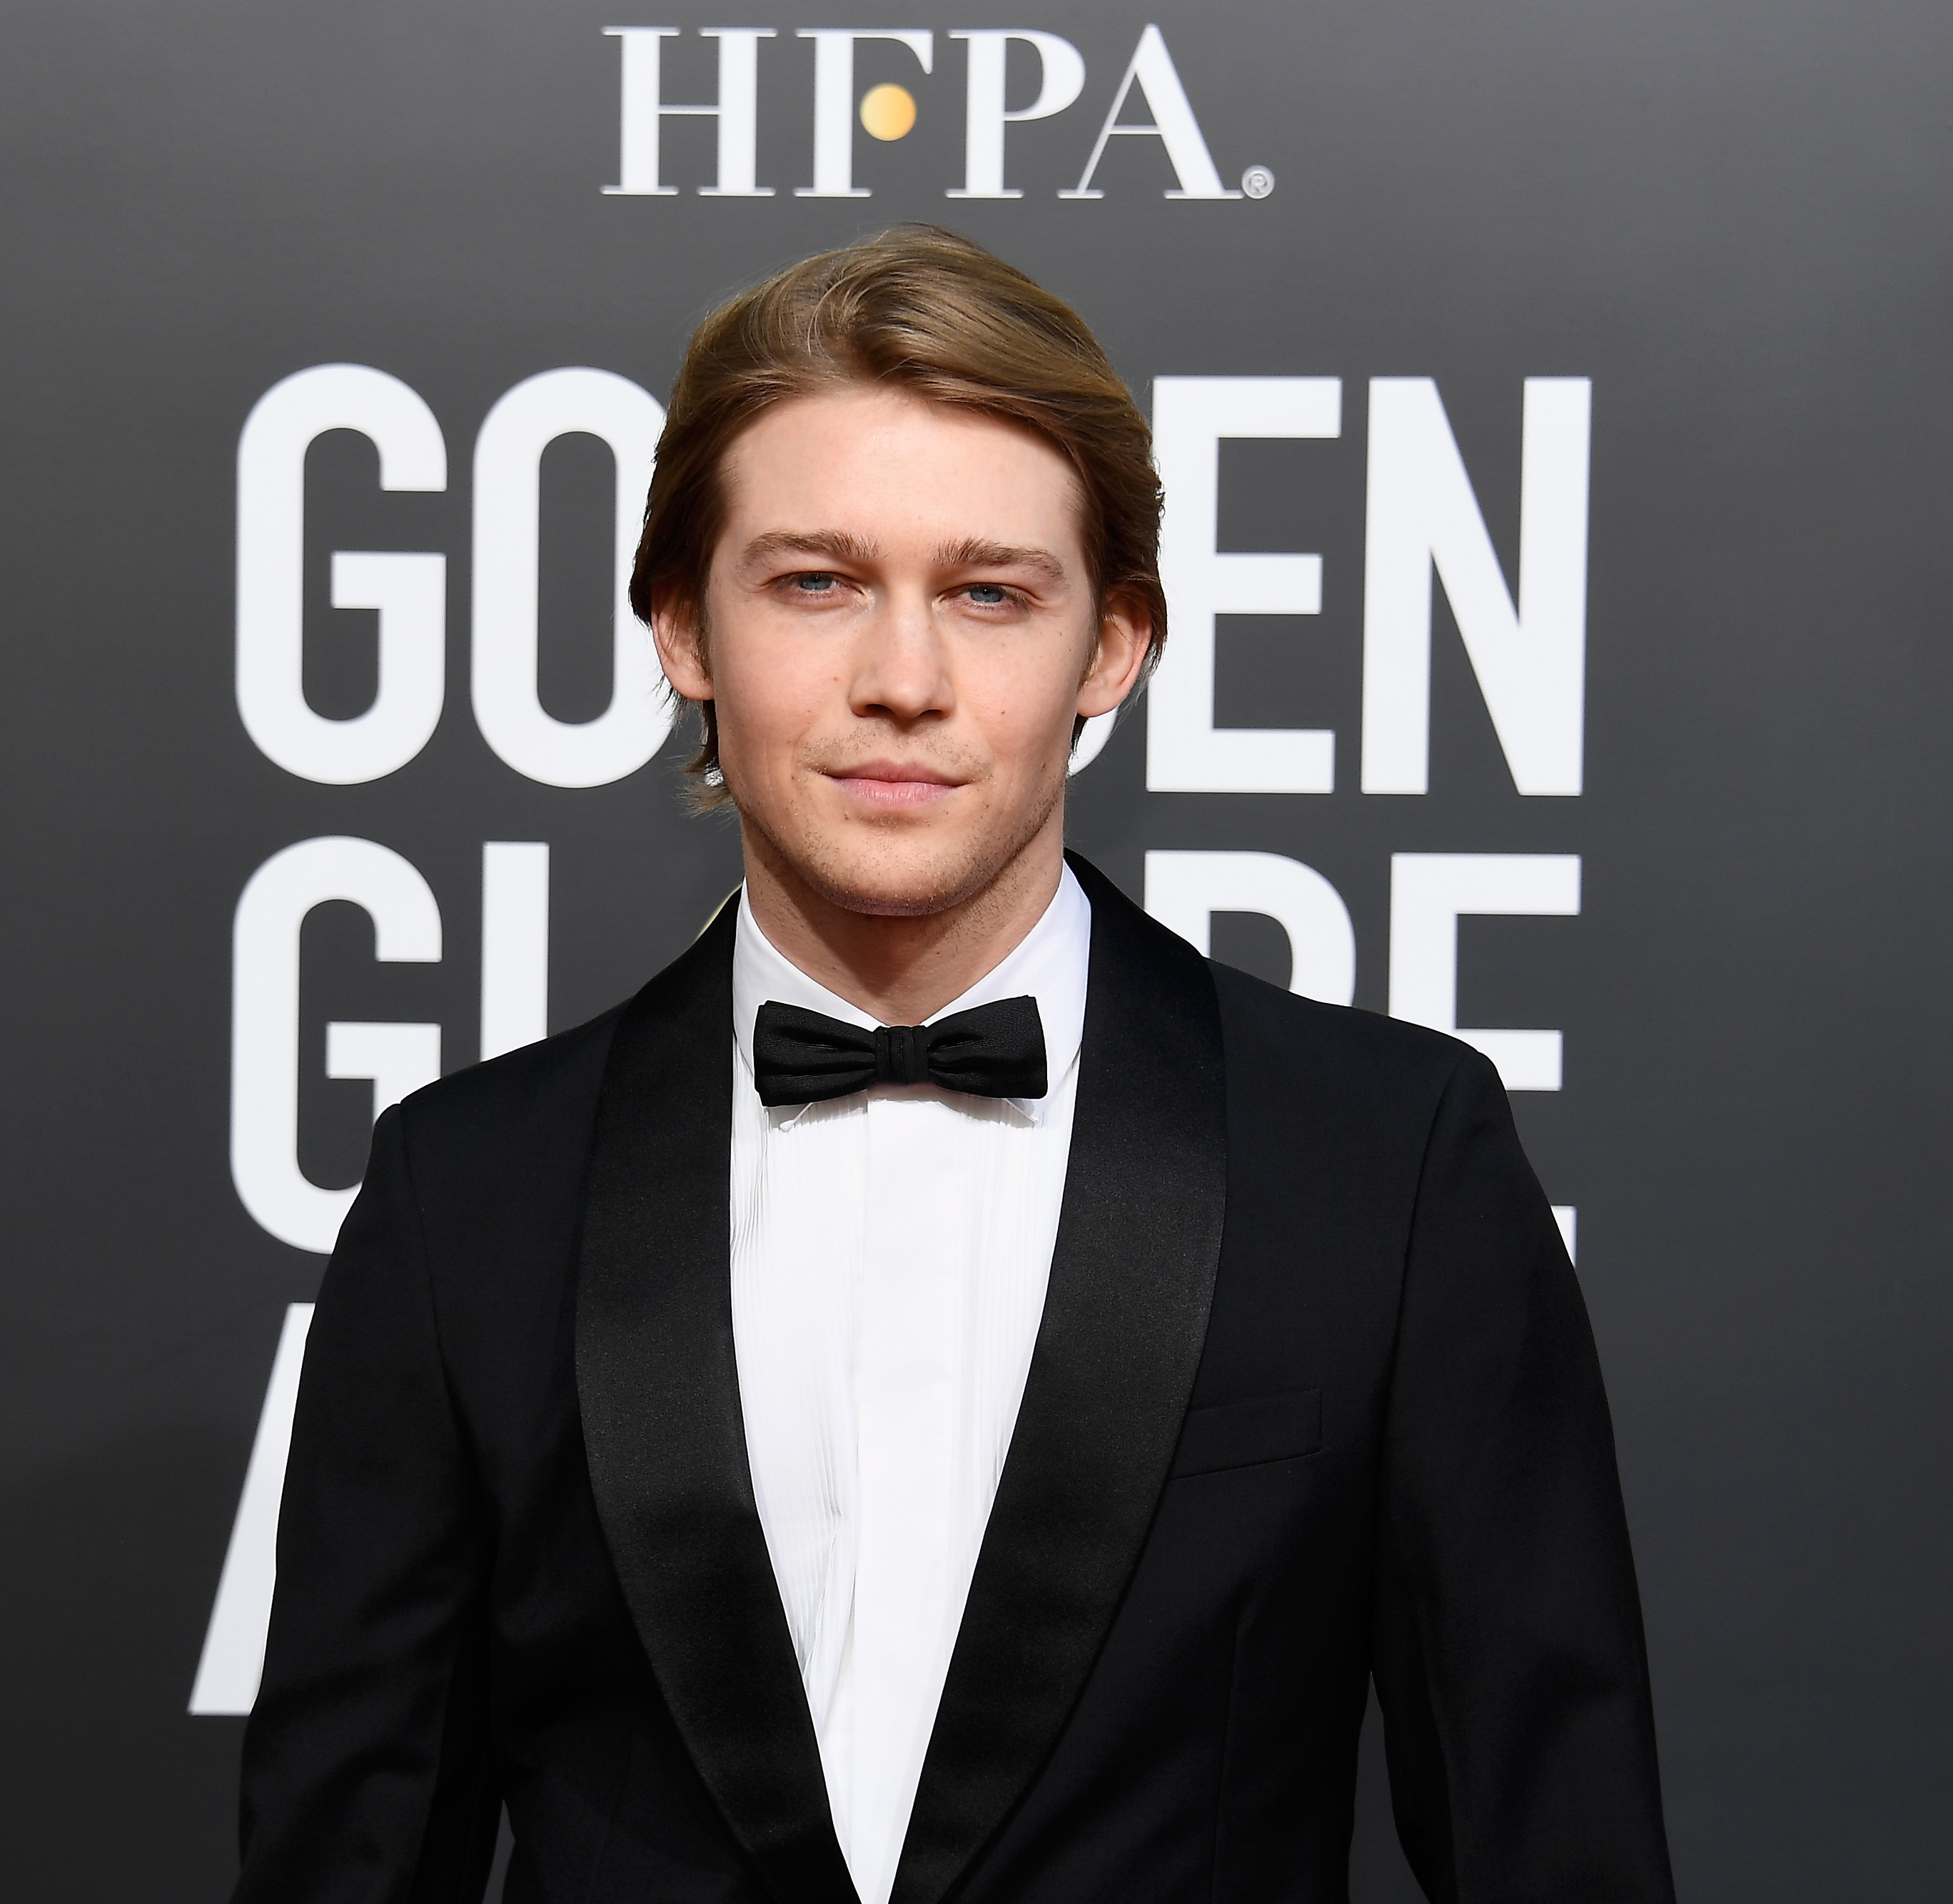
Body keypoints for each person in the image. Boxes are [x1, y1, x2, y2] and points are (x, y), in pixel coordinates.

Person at [233, 226, 1673, 1904]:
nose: (901, 679)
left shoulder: (1388, 1164)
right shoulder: (462, 1193)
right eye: (814, 581)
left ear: (1112, 644)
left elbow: (1552, 1844)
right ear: (682, 627)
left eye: (988, 592)